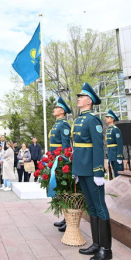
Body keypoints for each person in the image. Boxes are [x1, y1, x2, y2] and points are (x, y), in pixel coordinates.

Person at [73, 82, 112, 260]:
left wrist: (98, 171)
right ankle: (96, 244)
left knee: (100, 207)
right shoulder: (78, 119)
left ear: (89, 100)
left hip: (91, 169)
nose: (78, 99)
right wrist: (76, 170)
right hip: (82, 169)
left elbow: (98, 146)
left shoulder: (93, 120)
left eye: (81, 96)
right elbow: (77, 148)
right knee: (92, 207)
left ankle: (106, 248)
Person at [51, 97, 72, 232]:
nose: (54, 109)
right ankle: (66, 218)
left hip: (60, 160)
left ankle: (68, 220)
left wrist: (64, 160)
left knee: (65, 191)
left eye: (56, 107)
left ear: (62, 111)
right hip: (54, 159)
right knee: (60, 191)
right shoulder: (57, 124)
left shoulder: (64, 124)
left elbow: (65, 145)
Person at [105, 110, 124, 178]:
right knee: (115, 174)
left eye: (108, 117)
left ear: (112, 119)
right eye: (106, 117)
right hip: (111, 154)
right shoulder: (109, 129)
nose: (106, 118)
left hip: (116, 154)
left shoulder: (116, 129)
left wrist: (119, 156)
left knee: (119, 174)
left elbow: (120, 143)